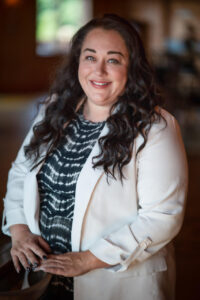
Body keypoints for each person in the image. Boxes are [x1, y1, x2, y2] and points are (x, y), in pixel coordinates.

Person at [2, 14, 188, 300]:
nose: (99, 70)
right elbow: (20, 172)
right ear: (77, 62)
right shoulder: (55, 109)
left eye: (113, 60)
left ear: (132, 68)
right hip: (45, 277)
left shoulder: (156, 127)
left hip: (114, 283)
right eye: (90, 57)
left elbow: (162, 217)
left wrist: (87, 259)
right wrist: (19, 231)